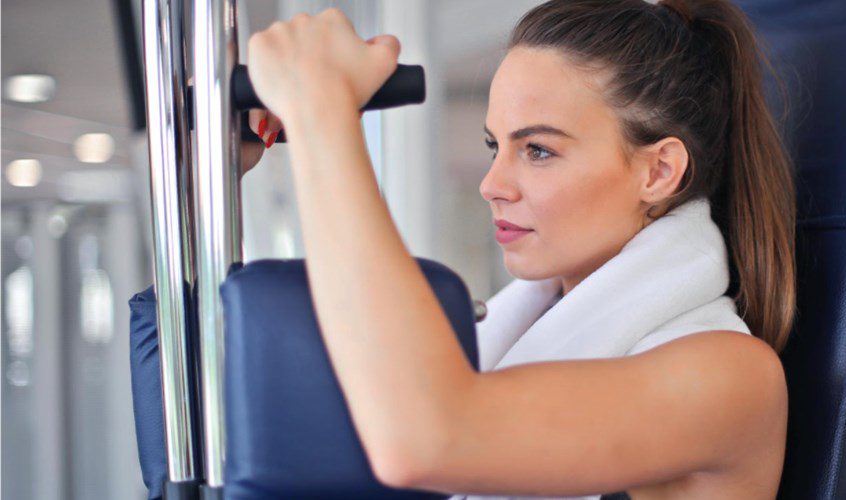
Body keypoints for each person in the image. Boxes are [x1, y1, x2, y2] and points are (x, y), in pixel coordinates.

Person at [242, 0, 795, 497]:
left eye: (536, 150)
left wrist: (323, 115)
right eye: (494, 146)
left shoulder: (731, 376)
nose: (492, 184)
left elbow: (427, 441)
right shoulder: (517, 335)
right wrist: (224, 170)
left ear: (659, 170)